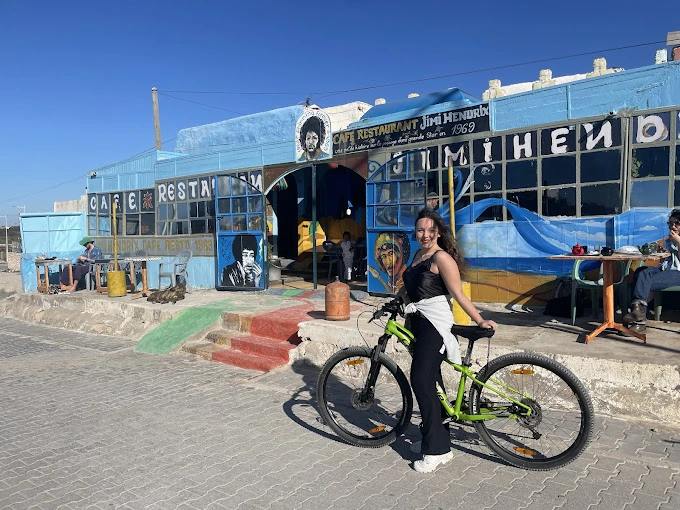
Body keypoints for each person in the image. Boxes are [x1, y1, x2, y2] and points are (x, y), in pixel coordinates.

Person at [400, 208, 497, 473]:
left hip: (435, 325)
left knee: (421, 380)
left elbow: (458, 294)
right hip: (418, 323)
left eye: (431, 230)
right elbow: (413, 285)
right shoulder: (420, 255)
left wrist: (480, 320)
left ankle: (438, 451)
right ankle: (437, 439)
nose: (425, 235)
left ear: (439, 232)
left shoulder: (442, 258)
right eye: (421, 230)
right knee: (433, 384)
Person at [623, 208, 680, 333]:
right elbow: (664, 260)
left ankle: (639, 318)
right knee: (641, 271)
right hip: (665, 269)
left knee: (644, 281)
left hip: (678, 273)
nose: (673, 226)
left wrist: (678, 241)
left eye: (677, 223)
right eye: (670, 223)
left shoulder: (676, 239)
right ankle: (637, 311)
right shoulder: (669, 240)